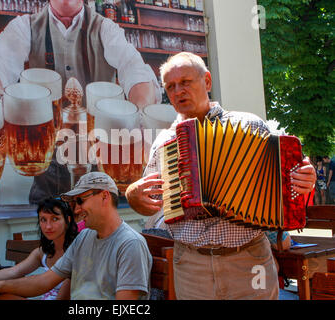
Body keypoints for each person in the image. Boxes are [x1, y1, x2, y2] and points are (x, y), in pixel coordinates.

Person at [125, 52, 317, 300]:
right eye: (171, 86)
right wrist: (132, 195)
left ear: (206, 81)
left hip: (249, 260)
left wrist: (303, 179)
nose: (178, 91)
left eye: (185, 82)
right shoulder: (164, 142)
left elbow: (285, 182)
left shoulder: (250, 125)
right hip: (191, 263)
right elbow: (149, 203)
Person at [0, 0, 162, 204]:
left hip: (101, 162)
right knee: (50, 227)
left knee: (100, 229)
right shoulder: (25, 26)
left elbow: (134, 69)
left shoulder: (105, 28)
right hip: (48, 163)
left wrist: (139, 114)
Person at [0, 172, 152, 299]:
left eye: (80, 200)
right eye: (74, 203)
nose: (77, 209)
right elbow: (44, 281)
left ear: (105, 197)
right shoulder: (84, 237)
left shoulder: (130, 244)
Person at [0, 197, 78, 300]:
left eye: (55, 219)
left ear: (67, 220)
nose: (48, 226)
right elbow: (14, 271)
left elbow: (62, 298)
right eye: (43, 220)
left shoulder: (76, 251)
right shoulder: (43, 252)